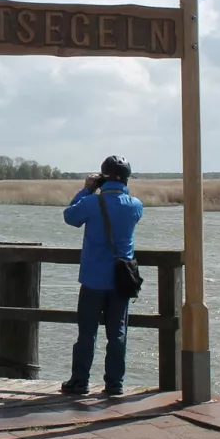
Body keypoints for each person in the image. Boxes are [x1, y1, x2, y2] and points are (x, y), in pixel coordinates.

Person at [60, 156, 143, 397]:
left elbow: (70, 217)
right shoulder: (135, 205)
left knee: (87, 333)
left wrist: (86, 190)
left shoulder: (91, 203)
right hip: (121, 279)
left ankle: (80, 382)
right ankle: (114, 384)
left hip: (93, 278)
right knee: (117, 333)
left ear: (102, 177)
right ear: (127, 179)